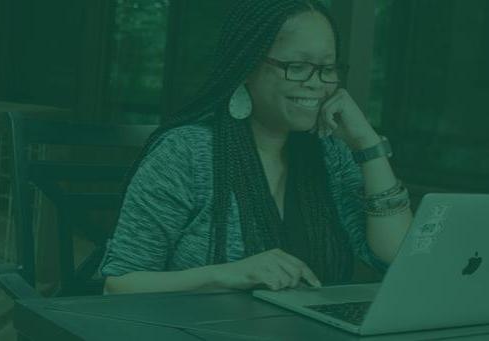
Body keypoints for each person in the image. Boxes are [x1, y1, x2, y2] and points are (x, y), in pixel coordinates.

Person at [100, 0, 414, 294]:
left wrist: (368, 145)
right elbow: (118, 285)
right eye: (298, 66)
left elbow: (398, 259)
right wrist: (222, 274)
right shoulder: (187, 152)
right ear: (247, 66)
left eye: (327, 69)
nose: (317, 83)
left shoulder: (331, 153)